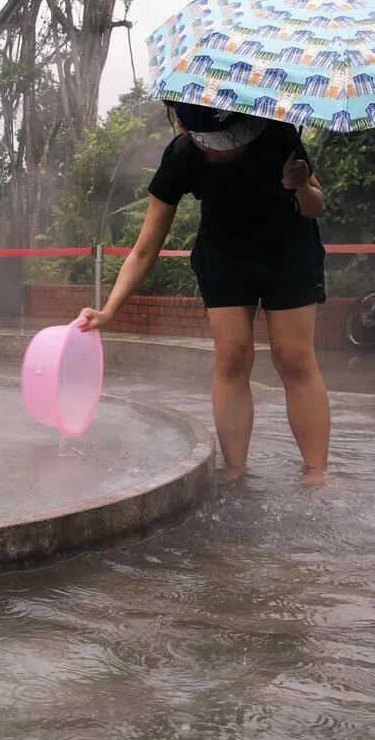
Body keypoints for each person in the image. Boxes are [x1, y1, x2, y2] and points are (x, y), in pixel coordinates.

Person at [79, 101, 330, 486]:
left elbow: (314, 206)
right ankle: (235, 467)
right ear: (187, 129)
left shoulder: (277, 131)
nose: (223, 149)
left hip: (289, 253)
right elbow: (145, 249)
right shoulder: (181, 156)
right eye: (213, 142)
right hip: (224, 257)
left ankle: (315, 471)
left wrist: (300, 186)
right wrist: (109, 311)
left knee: (294, 357)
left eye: (231, 140)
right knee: (231, 356)